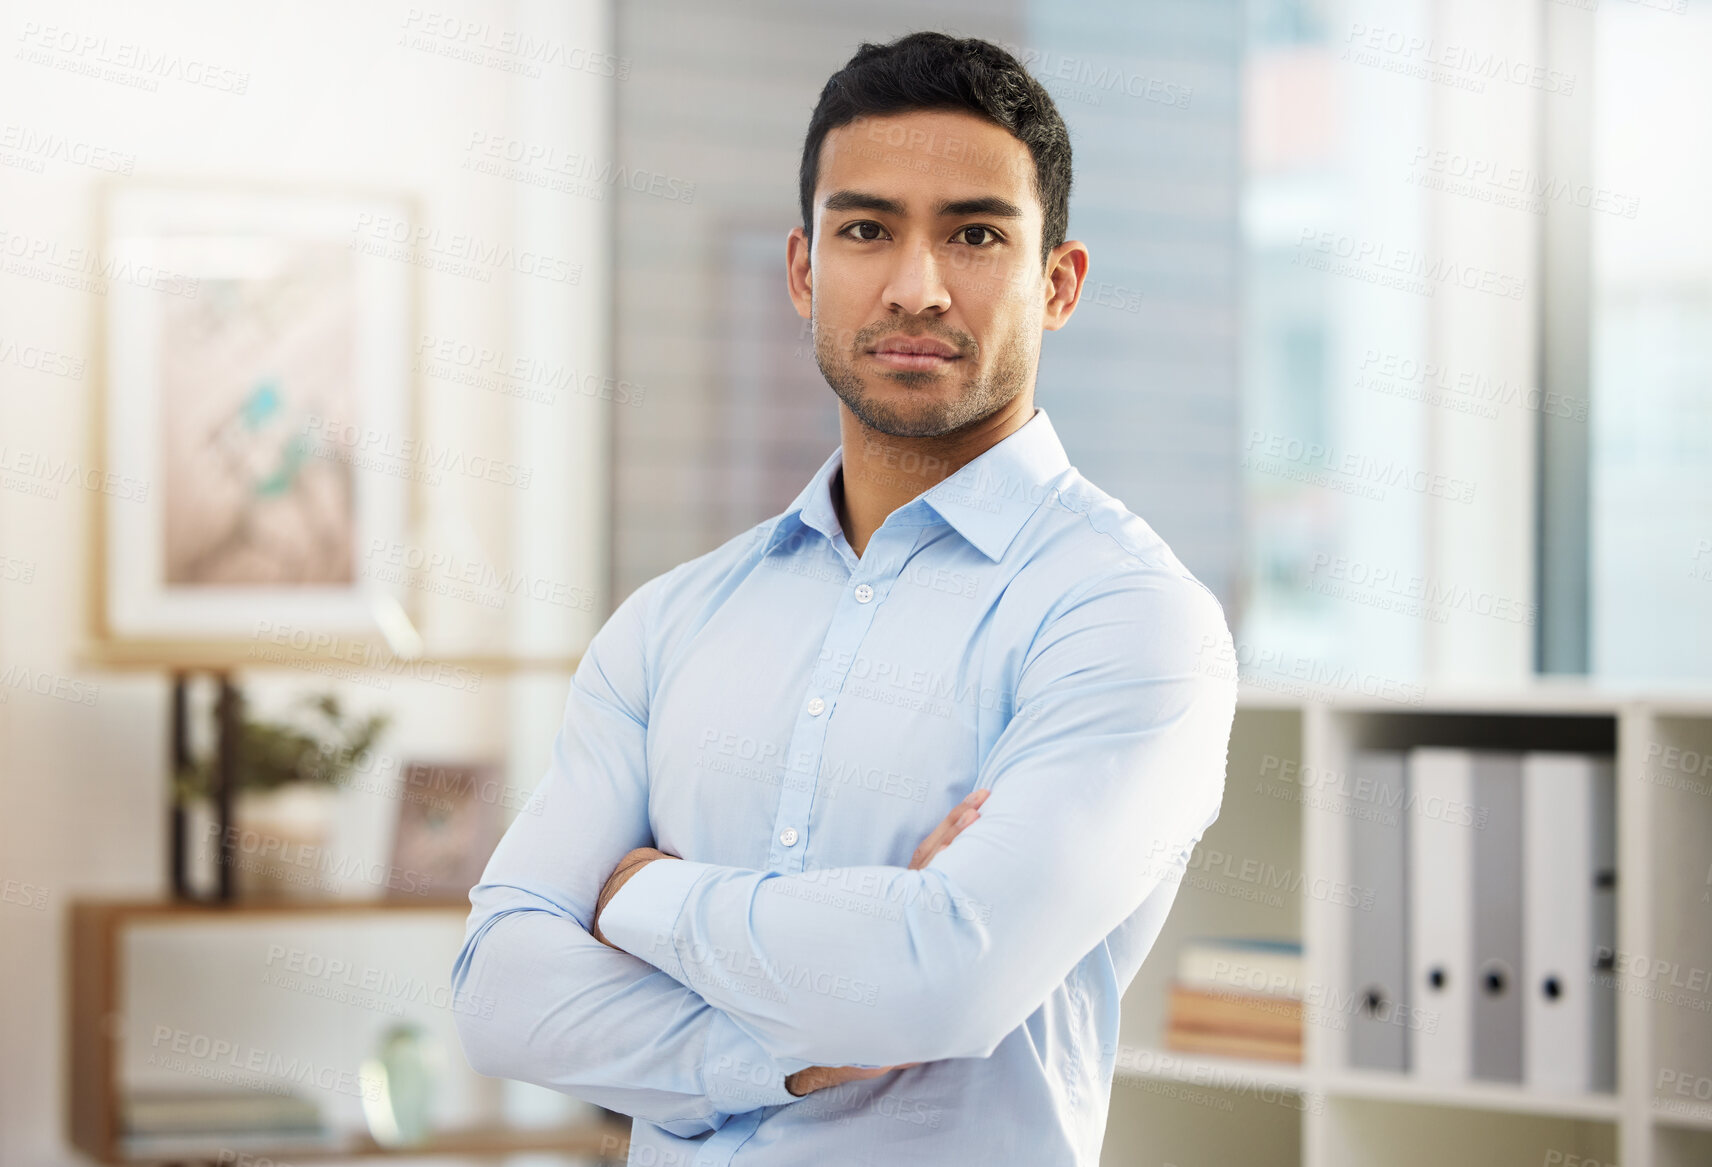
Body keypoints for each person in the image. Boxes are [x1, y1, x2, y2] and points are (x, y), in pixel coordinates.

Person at [451, 30, 1237, 1166]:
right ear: (803, 270)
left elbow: (941, 981)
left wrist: (636, 899)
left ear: (1055, 283)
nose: (915, 288)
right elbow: (497, 992)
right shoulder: (672, 623)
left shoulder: (1124, 617)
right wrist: (795, 1049)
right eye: (866, 230)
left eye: (973, 234)